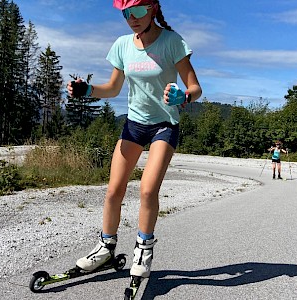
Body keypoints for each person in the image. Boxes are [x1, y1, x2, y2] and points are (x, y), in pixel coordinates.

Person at [67, 0, 202, 279]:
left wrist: (184, 97)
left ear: (152, 8)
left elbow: (195, 87)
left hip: (165, 125)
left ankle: (143, 248)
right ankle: (106, 247)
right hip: (134, 125)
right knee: (113, 190)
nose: (132, 18)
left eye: (137, 11)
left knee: (147, 191)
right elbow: (113, 89)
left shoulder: (172, 42)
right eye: (126, 13)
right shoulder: (122, 45)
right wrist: (87, 90)